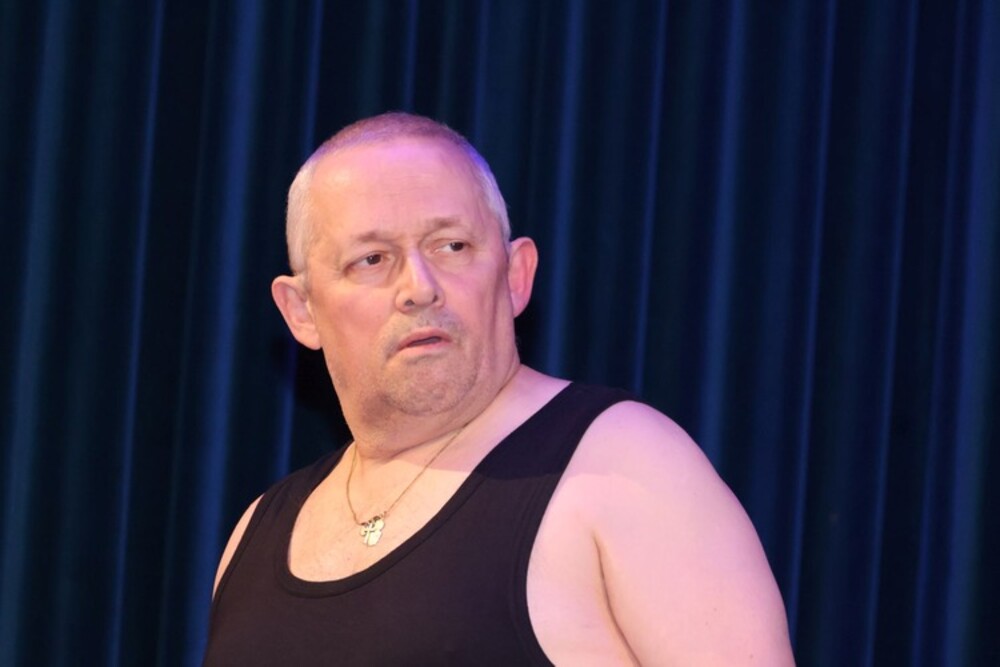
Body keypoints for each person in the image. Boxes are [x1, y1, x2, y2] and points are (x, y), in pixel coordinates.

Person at [203, 112, 795, 666]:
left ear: (515, 275)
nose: (419, 287)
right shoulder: (257, 532)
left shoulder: (624, 464)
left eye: (451, 246)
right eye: (373, 259)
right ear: (301, 311)